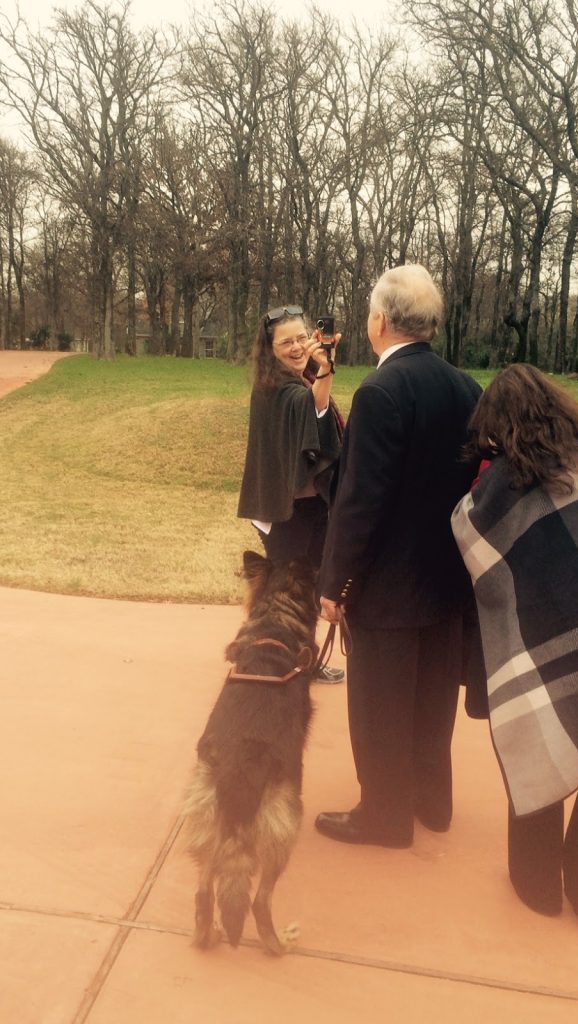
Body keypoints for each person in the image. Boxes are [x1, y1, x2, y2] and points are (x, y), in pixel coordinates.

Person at [315, 264, 482, 847]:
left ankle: (385, 816)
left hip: (388, 585)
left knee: (380, 704)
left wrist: (334, 584)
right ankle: (432, 802)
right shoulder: (466, 387)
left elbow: (360, 501)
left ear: (381, 321)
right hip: (448, 577)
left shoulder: (381, 391)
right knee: (434, 698)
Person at [452, 363, 578, 935]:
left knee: (534, 750)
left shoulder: (489, 500)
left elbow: (473, 553)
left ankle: (536, 885)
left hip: (543, 652)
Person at [237, 304, 345, 683]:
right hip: (286, 513)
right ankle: (265, 660)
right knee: (282, 591)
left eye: (301, 338)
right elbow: (309, 406)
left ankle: (303, 658)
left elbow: (312, 404)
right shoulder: (275, 390)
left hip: (312, 506)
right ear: (270, 349)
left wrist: (320, 366)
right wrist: (326, 371)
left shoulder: (299, 379)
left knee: (308, 587)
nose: (296, 347)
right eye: (286, 342)